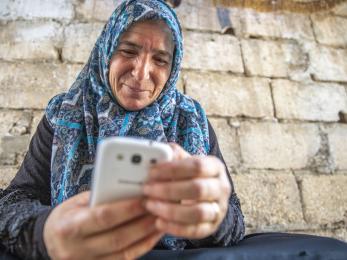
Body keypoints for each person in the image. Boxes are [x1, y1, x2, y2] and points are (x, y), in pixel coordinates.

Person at [0, 0, 245, 259]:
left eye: (160, 60)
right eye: (128, 51)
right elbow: (13, 201)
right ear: (106, 51)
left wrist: (215, 217)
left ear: (172, 69)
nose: (141, 73)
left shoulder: (191, 120)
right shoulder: (63, 114)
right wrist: (45, 230)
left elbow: (235, 221)